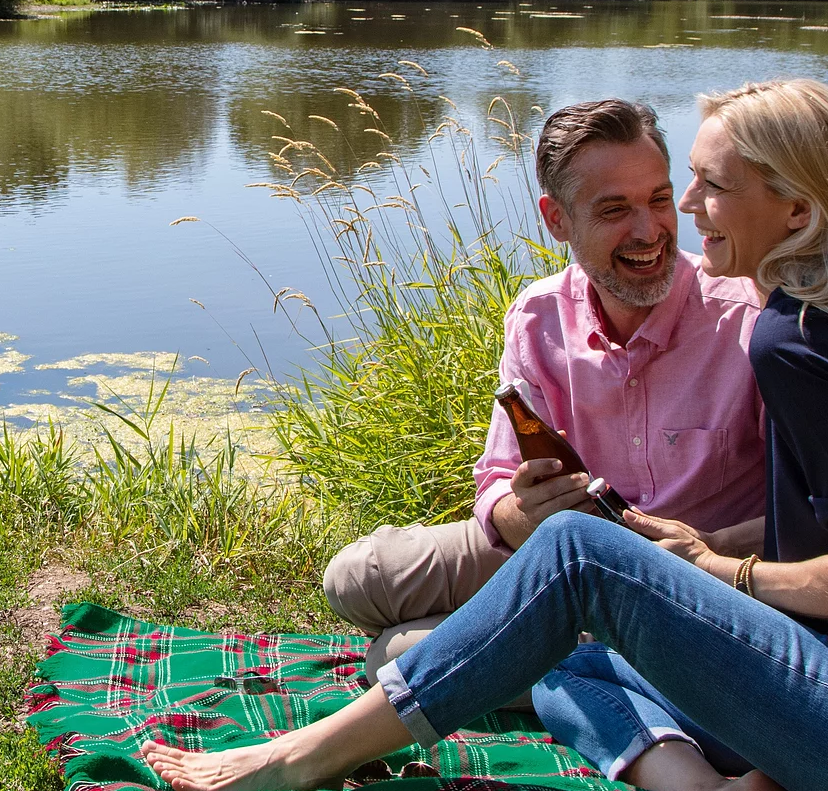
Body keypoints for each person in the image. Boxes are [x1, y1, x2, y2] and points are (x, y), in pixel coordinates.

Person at [145, 78, 828, 791]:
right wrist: (670, 546)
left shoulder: (791, 339)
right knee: (534, 619)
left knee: (575, 561)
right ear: (558, 218)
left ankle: (305, 755)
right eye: (668, 188)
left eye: (703, 187)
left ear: (798, 210)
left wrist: (718, 570)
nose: (682, 211)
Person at [320, 99, 768, 685]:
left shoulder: (750, 318)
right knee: (358, 578)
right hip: (556, 552)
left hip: (688, 578)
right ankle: (562, 642)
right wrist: (519, 510)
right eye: (614, 210)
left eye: (659, 200)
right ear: (556, 219)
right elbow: (497, 479)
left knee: (396, 659)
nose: (649, 231)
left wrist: (710, 552)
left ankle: (577, 653)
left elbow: (808, 513)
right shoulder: (538, 316)